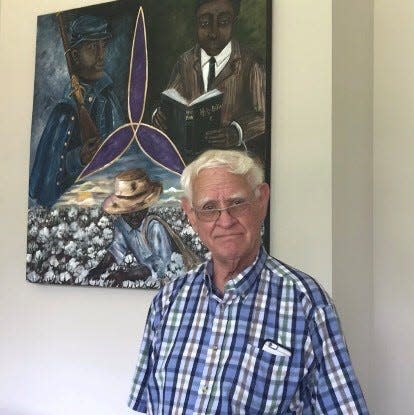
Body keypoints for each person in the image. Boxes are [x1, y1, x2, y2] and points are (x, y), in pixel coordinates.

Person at [128, 150, 369, 414]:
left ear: (261, 201)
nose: (226, 220)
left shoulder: (307, 304)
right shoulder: (168, 301)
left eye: (237, 203)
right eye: (209, 208)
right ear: (191, 215)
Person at [29, 15, 124, 208]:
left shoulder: (109, 98)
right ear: (74, 56)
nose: (101, 54)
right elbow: (46, 182)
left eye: (103, 45)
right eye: (91, 47)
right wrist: (79, 157)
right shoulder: (65, 111)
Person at [153, 0, 265, 160]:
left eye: (223, 22)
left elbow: (264, 116)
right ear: (196, 24)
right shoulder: (185, 61)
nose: (213, 33)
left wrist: (237, 132)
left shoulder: (251, 62)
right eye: (204, 24)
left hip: (233, 160)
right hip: (190, 161)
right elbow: (171, 99)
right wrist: (160, 116)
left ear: (234, 22)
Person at [87, 169, 177, 285]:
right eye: (128, 211)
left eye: (138, 209)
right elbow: (117, 248)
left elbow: (163, 263)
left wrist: (127, 275)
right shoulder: (122, 224)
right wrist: (100, 268)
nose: (134, 215)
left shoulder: (154, 226)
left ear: (147, 207)